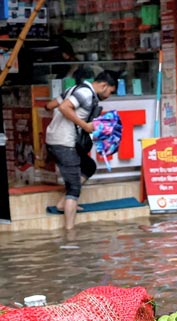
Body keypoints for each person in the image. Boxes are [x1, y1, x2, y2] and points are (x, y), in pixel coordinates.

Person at [45, 71, 116, 230]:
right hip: (64, 143)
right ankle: (69, 233)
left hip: (55, 139)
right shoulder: (85, 93)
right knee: (74, 187)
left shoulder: (74, 89)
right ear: (104, 85)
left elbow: (50, 105)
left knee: (88, 166)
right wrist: (84, 125)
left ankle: (64, 204)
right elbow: (64, 107)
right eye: (110, 91)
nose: (109, 95)